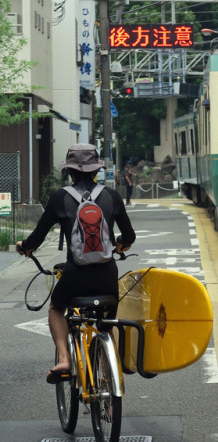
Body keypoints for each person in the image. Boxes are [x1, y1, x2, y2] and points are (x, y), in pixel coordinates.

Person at [16, 143, 136, 384]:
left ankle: (64, 359)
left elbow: (37, 238)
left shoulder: (60, 198)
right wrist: (121, 245)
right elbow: (129, 236)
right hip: (107, 276)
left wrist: (25, 247)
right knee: (106, 323)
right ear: (96, 170)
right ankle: (108, 366)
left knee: (56, 309)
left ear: (70, 171)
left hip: (75, 276)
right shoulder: (111, 196)